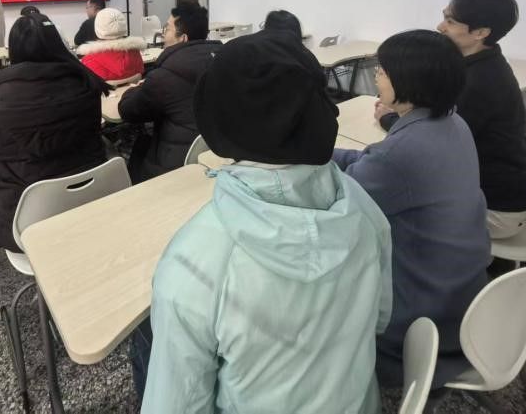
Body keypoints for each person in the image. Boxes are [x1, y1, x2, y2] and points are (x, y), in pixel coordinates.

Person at [135, 31, 392, 414]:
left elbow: (177, 406)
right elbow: (380, 319)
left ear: (216, 120)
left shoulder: (192, 265)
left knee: (143, 337)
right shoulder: (364, 207)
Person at [333, 29, 489, 387]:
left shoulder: (400, 154)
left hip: (422, 318)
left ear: (408, 80)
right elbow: (370, 162)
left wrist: (295, 162)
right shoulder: (453, 123)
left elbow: (338, 200)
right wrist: (323, 152)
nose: (376, 77)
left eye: (382, 71)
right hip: (461, 290)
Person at [377, 0, 526, 239]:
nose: (440, 27)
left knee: (384, 207)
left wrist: (388, 117)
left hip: (496, 209)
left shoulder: (479, 82)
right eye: (444, 17)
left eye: (450, 21)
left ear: (481, 32)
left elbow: (432, 140)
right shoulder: (478, 64)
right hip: (494, 191)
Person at [0, 15, 108, 251]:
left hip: (27, 223)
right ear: (57, 43)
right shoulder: (86, 83)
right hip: (93, 202)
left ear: (14, 50)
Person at [118, 1, 222, 183]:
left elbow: (127, 110)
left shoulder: (165, 75)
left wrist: (135, 89)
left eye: (167, 29)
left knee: (138, 145)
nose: (163, 35)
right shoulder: (225, 60)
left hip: (173, 167)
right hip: (216, 153)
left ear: (183, 38)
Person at [76, 7, 145, 82]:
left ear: (97, 29)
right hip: (133, 89)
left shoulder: (88, 61)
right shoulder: (136, 53)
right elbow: (141, 71)